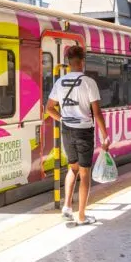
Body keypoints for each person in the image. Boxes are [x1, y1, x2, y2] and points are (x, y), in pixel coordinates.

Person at [46, 46, 111, 225]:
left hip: (67, 130)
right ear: (82, 61)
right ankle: (81, 216)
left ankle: (67, 206)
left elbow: (49, 109)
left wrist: (63, 119)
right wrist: (105, 136)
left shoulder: (60, 82)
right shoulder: (89, 82)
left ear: (68, 63)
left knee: (72, 168)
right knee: (84, 174)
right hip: (83, 131)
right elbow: (97, 113)